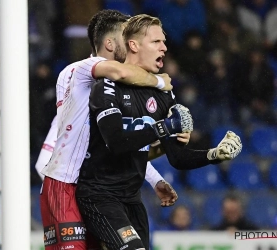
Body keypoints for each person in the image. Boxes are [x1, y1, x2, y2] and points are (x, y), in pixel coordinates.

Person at [76, 14, 242, 250]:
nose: (164, 47)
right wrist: (164, 127)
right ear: (133, 45)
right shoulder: (107, 86)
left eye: (164, 42)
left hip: (132, 199)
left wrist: (214, 155)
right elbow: (116, 142)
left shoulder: (164, 94)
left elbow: (177, 157)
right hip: (99, 196)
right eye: (156, 42)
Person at [38, 10, 180, 250]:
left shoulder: (109, 92)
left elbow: (121, 145)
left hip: (91, 186)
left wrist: (155, 179)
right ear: (110, 43)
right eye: (127, 39)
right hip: (64, 183)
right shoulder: (83, 69)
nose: (132, 45)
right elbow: (121, 71)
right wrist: (159, 81)